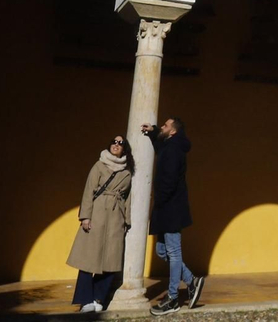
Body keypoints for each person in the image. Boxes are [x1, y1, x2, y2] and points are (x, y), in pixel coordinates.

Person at [67, 133, 134, 316]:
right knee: (89, 260)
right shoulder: (99, 165)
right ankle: (85, 299)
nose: (116, 144)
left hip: (115, 219)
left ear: (124, 148)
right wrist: (85, 217)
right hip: (96, 214)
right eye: (114, 141)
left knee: (111, 262)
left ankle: (98, 298)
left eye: (120, 143)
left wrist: (126, 221)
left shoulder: (127, 172)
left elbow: (127, 198)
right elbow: (89, 191)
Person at [143, 117, 204, 314]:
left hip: (170, 209)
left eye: (165, 125)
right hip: (165, 208)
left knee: (174, 252)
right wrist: (153, 131)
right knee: (163, 251)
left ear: (173, 131)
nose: (162, 126)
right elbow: (160, 145)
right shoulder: (169, 145)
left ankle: (172, 299)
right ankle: (191, 281)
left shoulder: (174, 149)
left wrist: (159, 200)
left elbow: (168, 180)